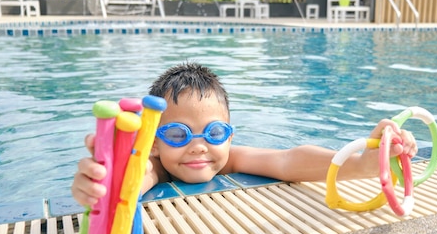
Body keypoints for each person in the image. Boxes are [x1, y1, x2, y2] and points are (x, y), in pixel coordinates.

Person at [71, 62, 418, 207]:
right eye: (178, 134)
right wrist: (107, 183)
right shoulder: (154, 164)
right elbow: (136, 177)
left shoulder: (226, 159)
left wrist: (360, 164)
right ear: (155, 143)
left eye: (215, 132)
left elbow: (286, 160)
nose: (198, 147)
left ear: (230, 136)